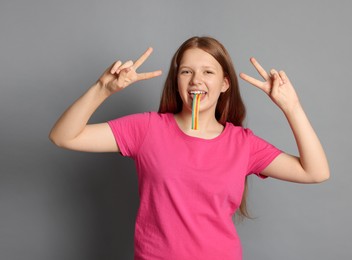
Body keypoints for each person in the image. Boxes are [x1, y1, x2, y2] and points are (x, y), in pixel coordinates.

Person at [49, 36, 329, 260]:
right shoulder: (146, 129)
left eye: (208, 71)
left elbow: (315, 172)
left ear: (224, 84)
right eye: (186, 71)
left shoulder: (243, 143)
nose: (196, 80)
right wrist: (102, 88)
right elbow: (64, 136)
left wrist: (291, 107)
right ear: (177, 81)